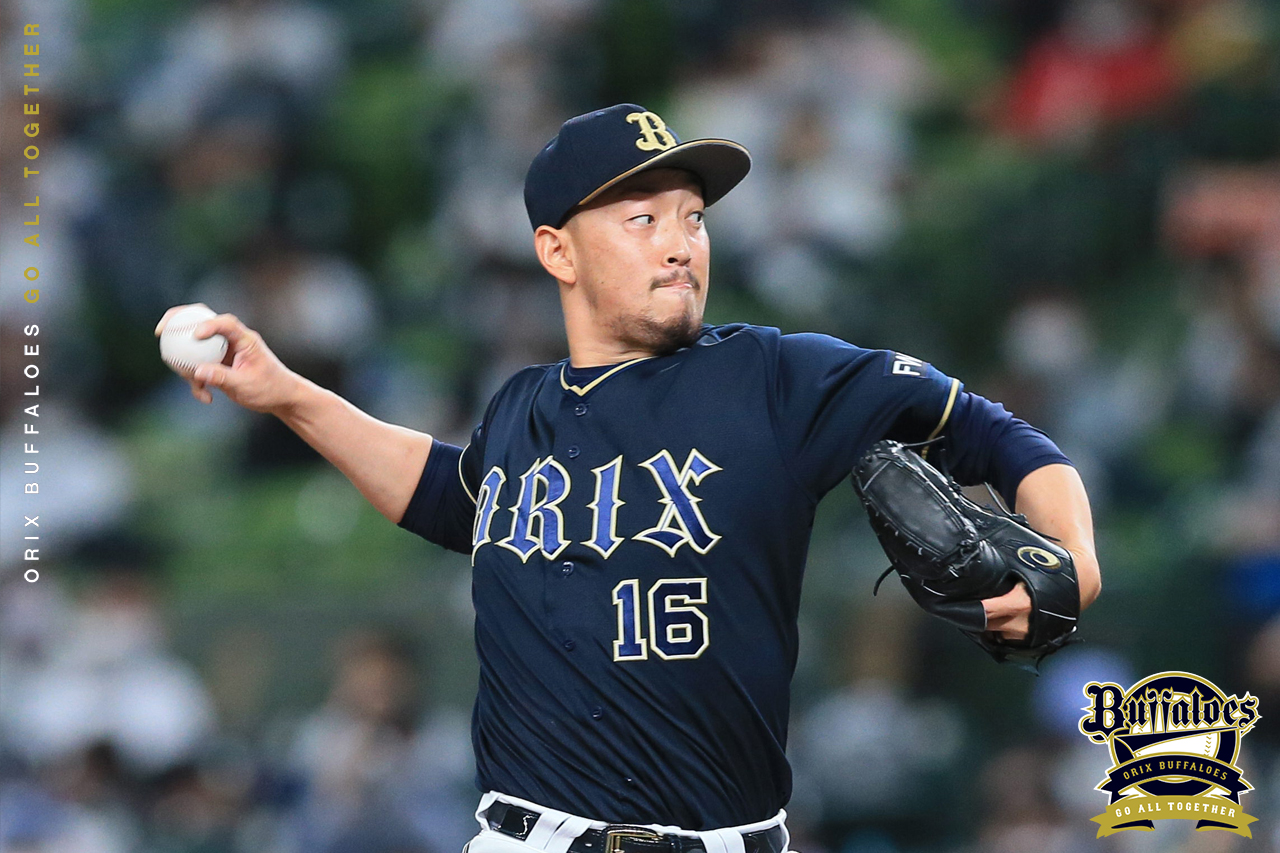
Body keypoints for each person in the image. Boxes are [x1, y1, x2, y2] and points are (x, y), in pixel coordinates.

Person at [156, 104, 1101, 853]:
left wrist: (1075, 559)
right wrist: (288, 393)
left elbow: (1001, 437)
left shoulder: (778, 377)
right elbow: (451, 496)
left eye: (693, 217)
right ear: (557, 250)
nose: (679, 243)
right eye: (641, 218)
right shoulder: (520, 406)